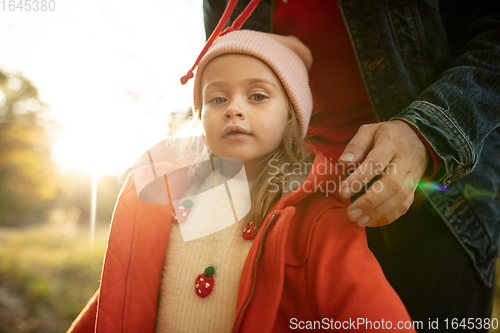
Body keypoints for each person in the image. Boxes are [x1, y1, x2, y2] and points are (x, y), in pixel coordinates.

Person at [68, 28, 418, 332]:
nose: (233, 108)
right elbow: (118, 303)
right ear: (201, 117)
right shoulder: (162, 203)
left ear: (291, 118)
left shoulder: (318, 221)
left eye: (257, 96)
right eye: (217, 98)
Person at [202, 0, 500, 331]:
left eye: (257, 96)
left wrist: (426, 133)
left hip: (440, 203)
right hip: (289, 211)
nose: (233, 108)